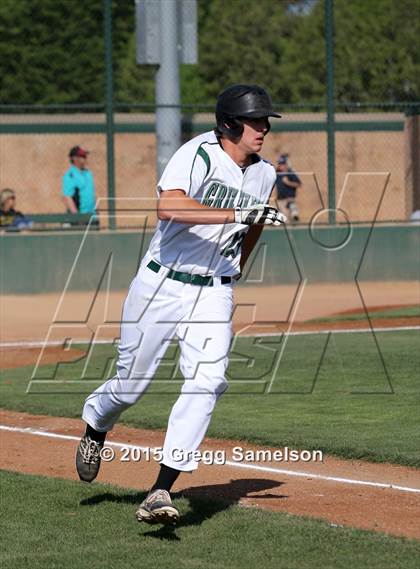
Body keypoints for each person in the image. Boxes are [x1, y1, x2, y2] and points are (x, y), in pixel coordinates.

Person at [75, 84, 287, 526]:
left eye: (266, 120)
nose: (264, 128)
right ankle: (96, 422)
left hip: (213, 291)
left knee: (208, 381)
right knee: (131, 386)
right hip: (161, 285)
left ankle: (161, 488)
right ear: (230, 123)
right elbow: (168, 205)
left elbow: (255, 223)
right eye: (256, 120)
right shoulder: (199, 154)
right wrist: (236, 215)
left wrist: (238, 266)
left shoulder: (264, 173)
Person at [62, 146, 98, 226]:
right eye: (82, 156)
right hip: (80, 218)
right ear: (74, 158)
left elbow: (91, 194)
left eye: (85, 156)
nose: (85, 158)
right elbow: (67, 198)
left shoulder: (88, 173)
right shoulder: (70, 175)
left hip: (92, 216)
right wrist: (78, 218)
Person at [275, 153, 302, 222]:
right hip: (280, 199)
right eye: (279, 164)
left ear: (285, 164)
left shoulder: (290, 173)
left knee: (293, 210)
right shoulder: (277, 173)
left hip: (290, 198)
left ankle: (294, 218)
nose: (280, 165)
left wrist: (288, 183)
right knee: (282, 218)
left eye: (282, 164)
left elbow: (299, 184)